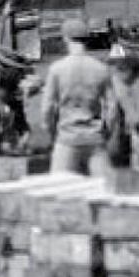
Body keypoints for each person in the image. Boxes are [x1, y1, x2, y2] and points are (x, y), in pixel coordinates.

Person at [42, 19, 113, 177]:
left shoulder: (56, 69)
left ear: (65, 38)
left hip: (67, 137)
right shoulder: (101, 68)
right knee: (103, 190)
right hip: (95, 137)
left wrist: (52, 131)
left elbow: (47, 108)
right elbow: (111, 108)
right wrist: (106, 132)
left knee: (60, 193)